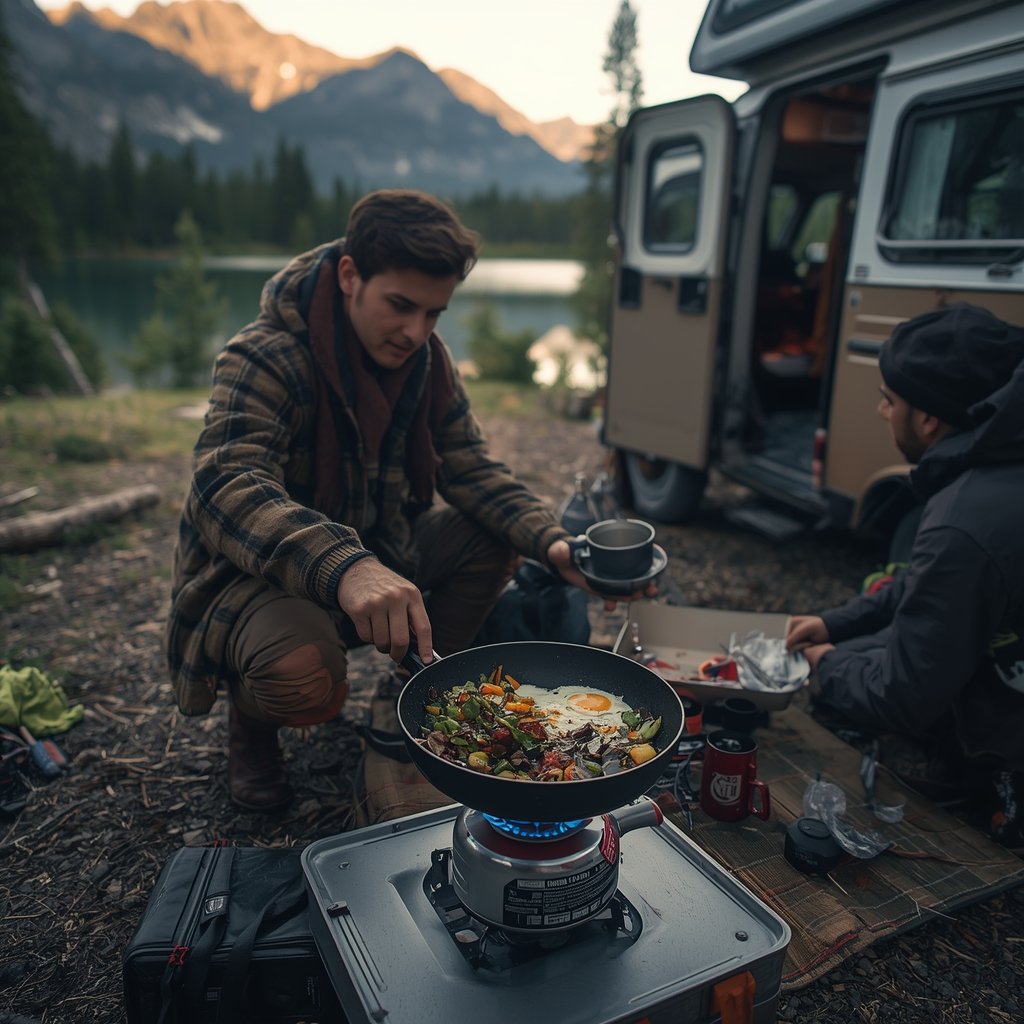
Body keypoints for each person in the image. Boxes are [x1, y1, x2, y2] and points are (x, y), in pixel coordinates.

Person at [165, 189, 647, 812]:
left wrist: (552, 542)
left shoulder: (426, 362)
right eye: (400, 306)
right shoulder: (267, 354)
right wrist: (347, 565)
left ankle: (413, 690)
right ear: (349, 276)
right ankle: (252, 730)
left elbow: (471, 467)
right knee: (305, 679)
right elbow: (226, 481)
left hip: (378, 548)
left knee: (493, 532)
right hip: (259, 577)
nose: (416, 332)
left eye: (434, 314)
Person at [785, 303, 1024, 844]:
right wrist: (832, 623)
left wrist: (825, 664)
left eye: (888, 400)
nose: (880, 411)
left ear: (928, 418)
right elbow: (927, 585)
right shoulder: (1000, 467)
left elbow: (900, 696)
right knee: (864, 648)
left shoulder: (964, 520)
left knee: (849, 684)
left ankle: (986, 788)